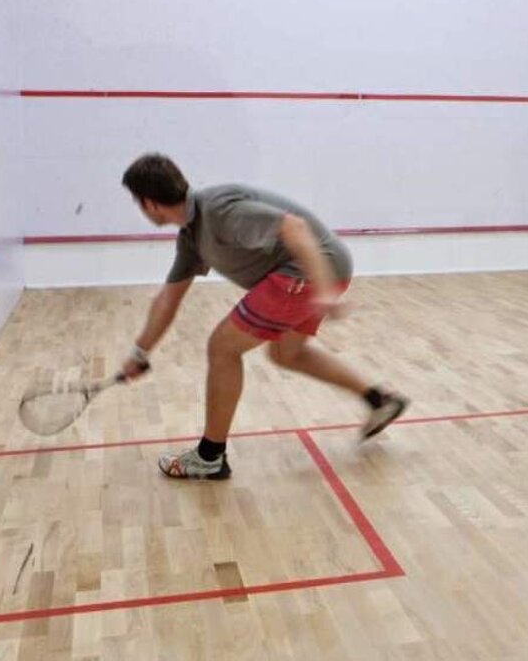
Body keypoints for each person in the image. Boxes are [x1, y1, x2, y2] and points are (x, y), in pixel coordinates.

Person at [118, 153, 409, 479]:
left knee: (223, 347)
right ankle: (379, 398)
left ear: (150, 203)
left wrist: (324, 289)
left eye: (137, 203)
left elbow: (294, 227)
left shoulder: (219, 210)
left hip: (306, 272)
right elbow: (168, 300)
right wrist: (140, 353)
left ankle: (210, 455)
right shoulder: (191, 237)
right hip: (322, 269)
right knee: (287, 353)